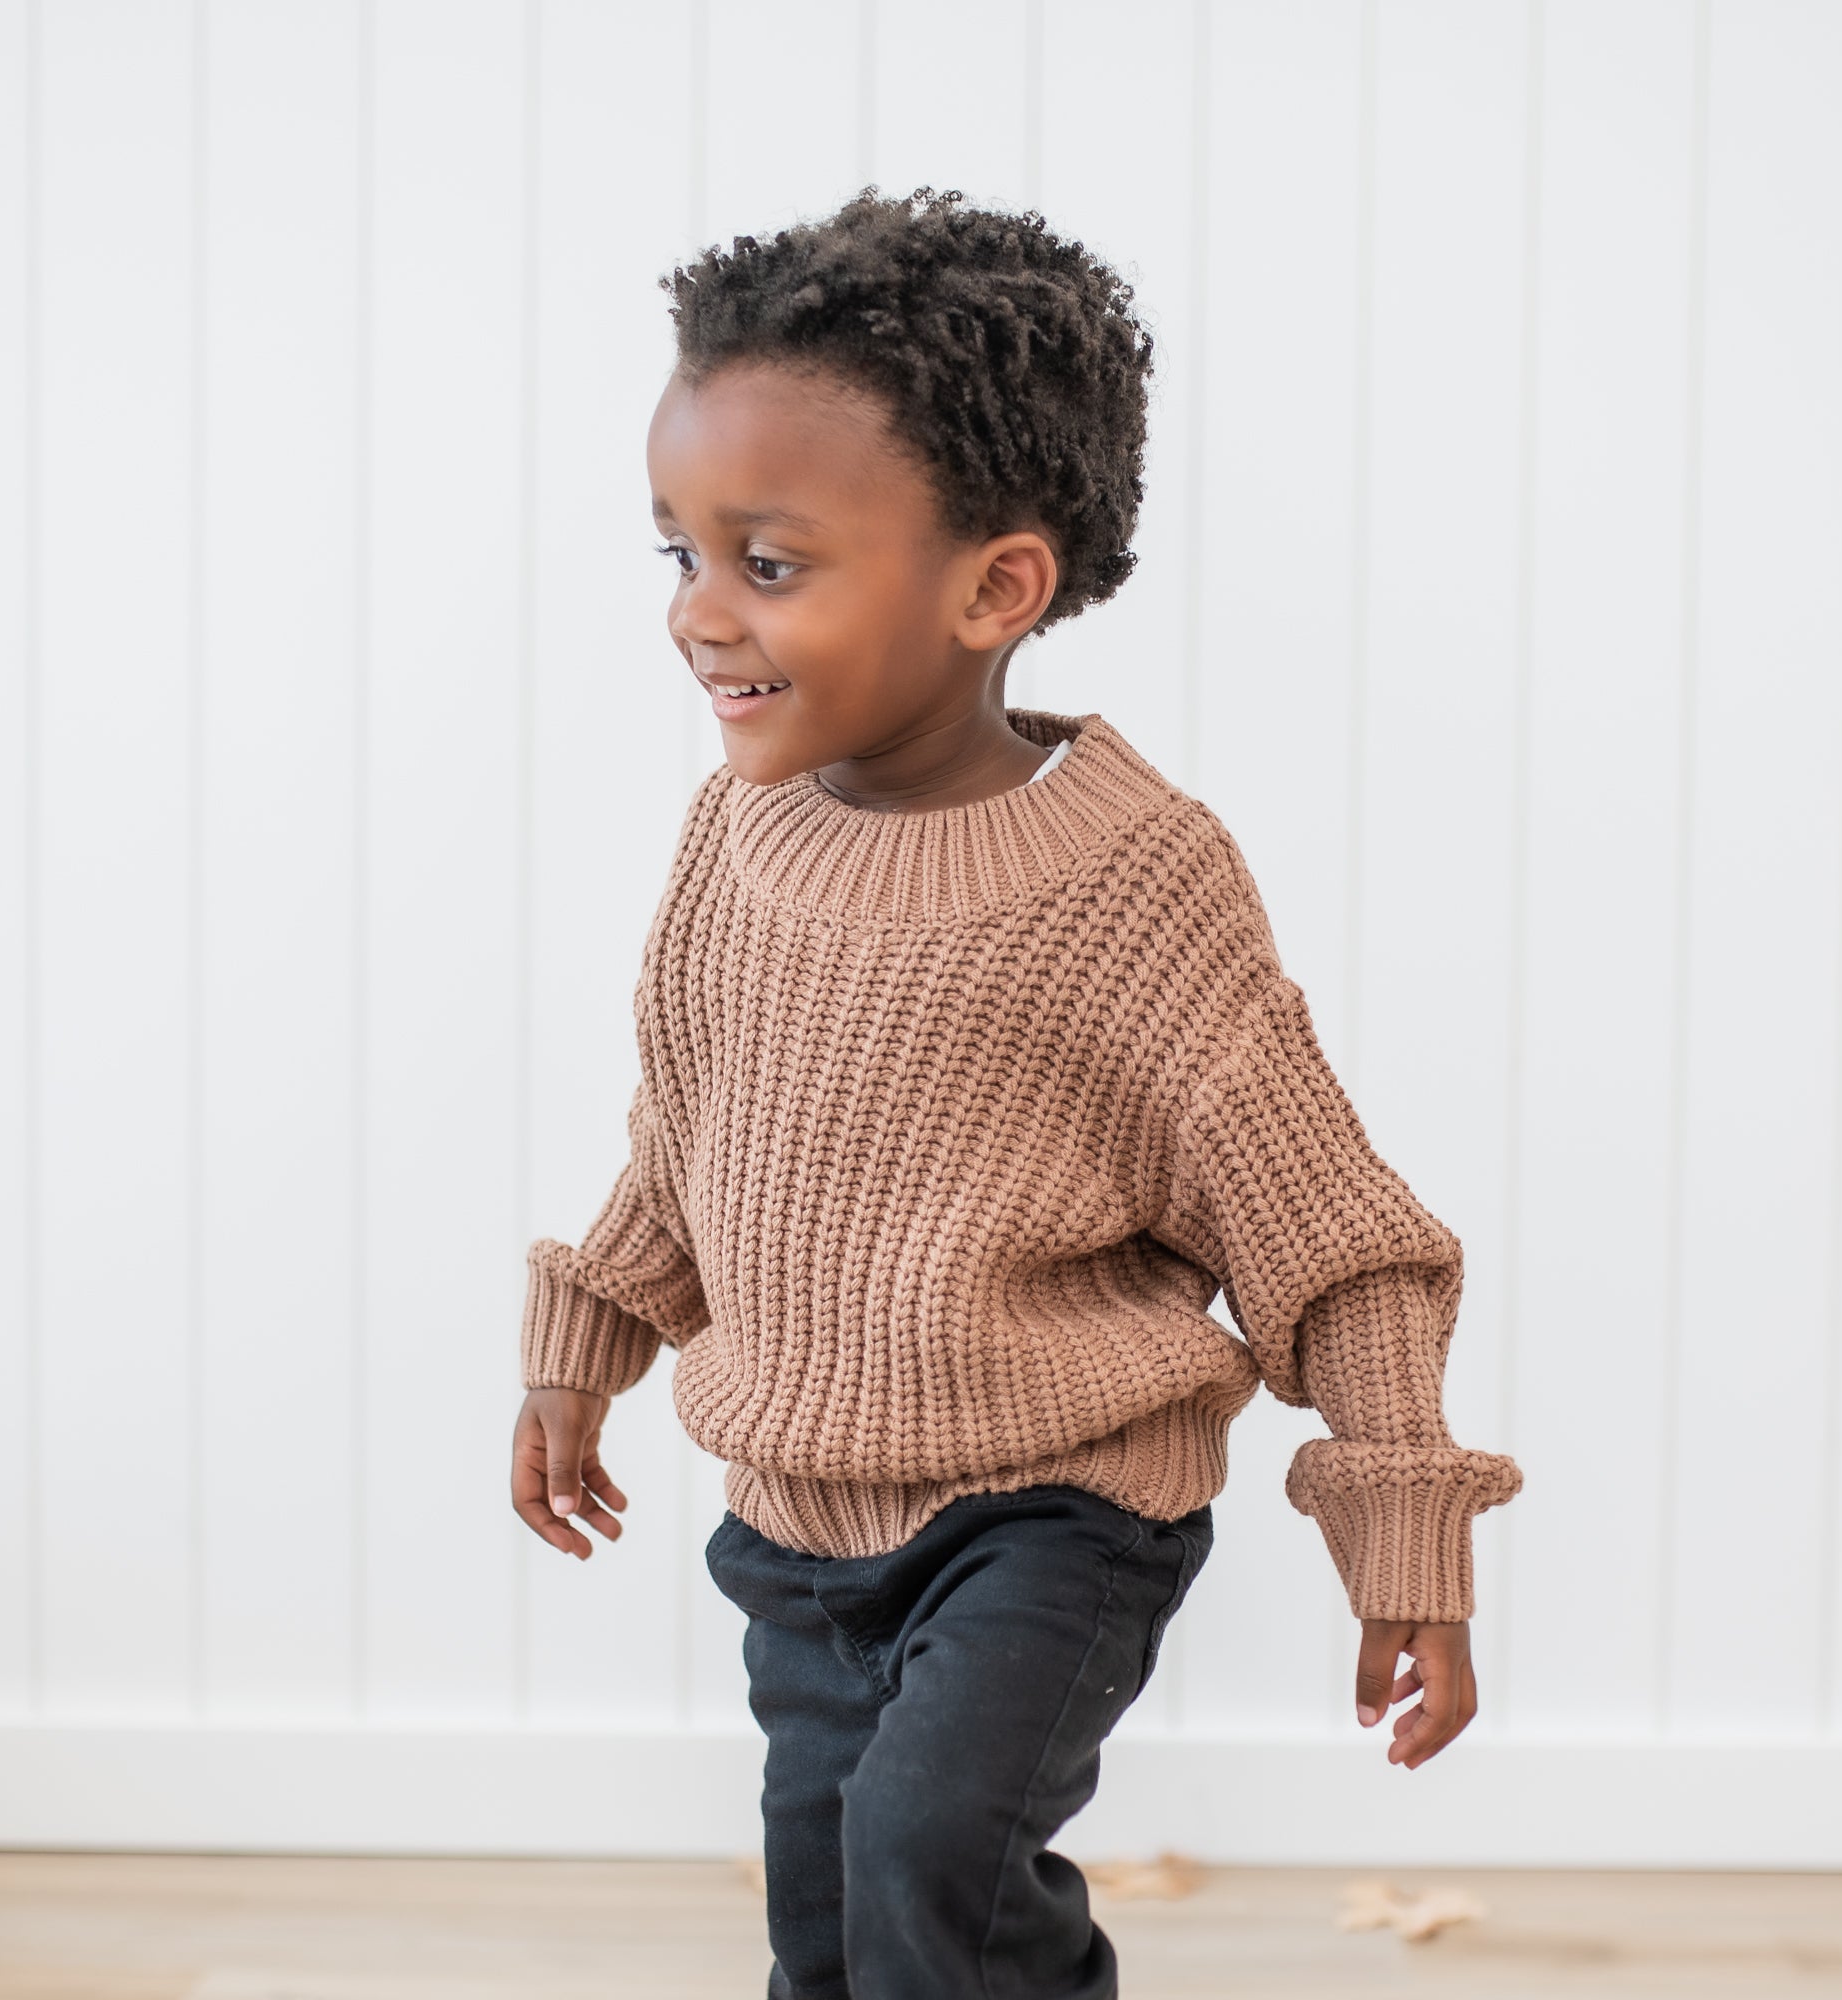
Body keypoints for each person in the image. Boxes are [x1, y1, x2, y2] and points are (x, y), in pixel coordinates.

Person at [507, 184, 1523, 2000]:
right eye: (679, 554)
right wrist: (585, 1350)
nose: (698, 615)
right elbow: (697, 1138)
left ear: (997, 589)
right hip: (800, 1516)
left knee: (933, 1857)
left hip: (1054, 1511)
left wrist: (1404, 1537)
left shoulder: (1136, 886)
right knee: (834, 1921)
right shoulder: (734, 840)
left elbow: (1333, 1239)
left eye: (769, 563)